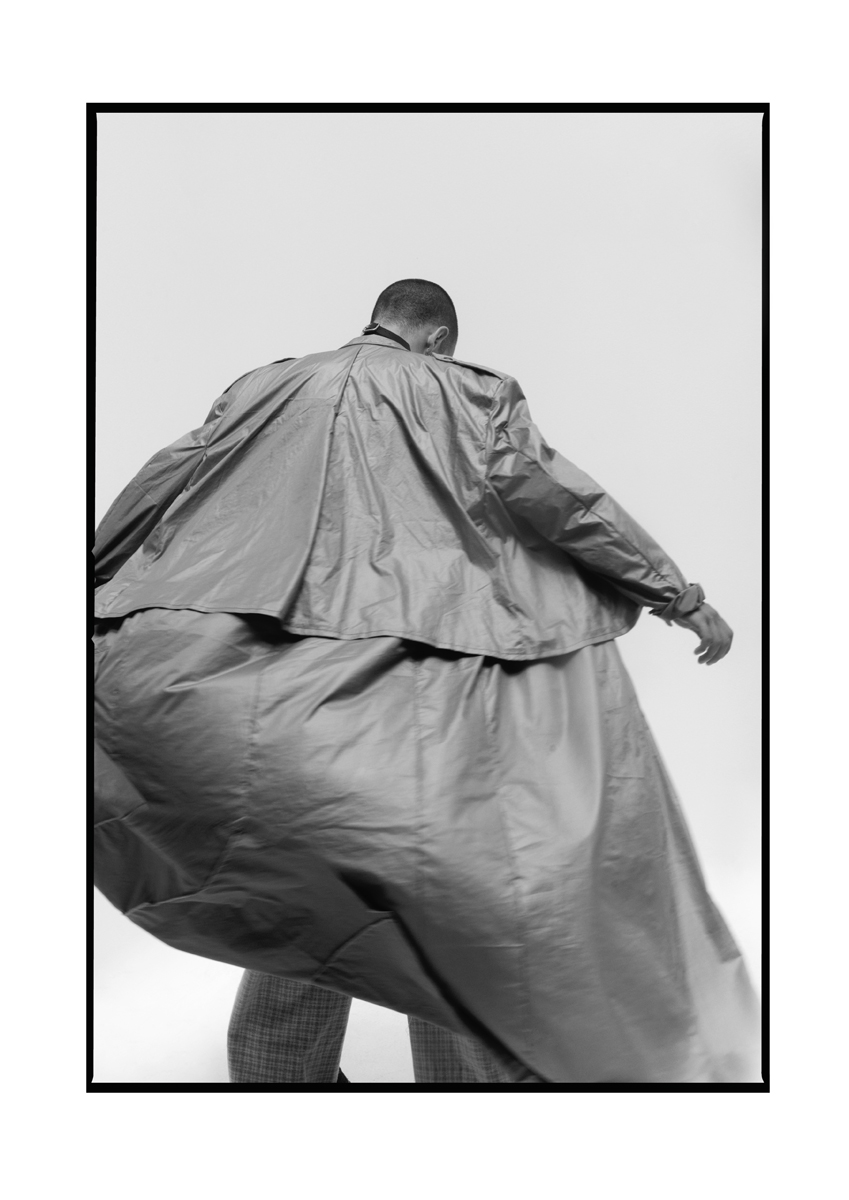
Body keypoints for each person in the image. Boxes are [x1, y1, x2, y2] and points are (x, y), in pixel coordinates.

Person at [94, 279, 760, 1084]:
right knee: (441, 902)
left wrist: (87, 578)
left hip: (270, 704)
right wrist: (675, 595)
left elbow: (164, 479)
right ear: (438, 341)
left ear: (375, 322)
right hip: (410, 699)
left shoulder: (263, 387)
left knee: (302, 893)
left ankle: (273, 1103)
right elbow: (562, 502)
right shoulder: (468, 394)